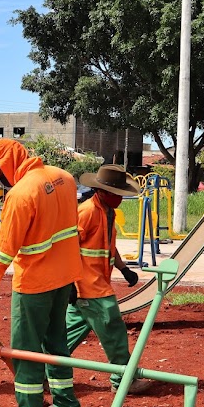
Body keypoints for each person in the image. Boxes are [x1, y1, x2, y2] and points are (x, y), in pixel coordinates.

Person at [0, 138, 82, 407]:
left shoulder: (21, 194)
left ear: (7, 164)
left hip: (34, 284)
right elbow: (71, 230)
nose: (1, 179)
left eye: (0, 172)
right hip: (64, 279)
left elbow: (3, 250)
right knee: (57, 345)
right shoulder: (64, 178)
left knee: (26, 351)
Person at [65, 165, 152, 393]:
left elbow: (108, 245)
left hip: (92, 285)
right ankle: (124, 380)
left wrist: (123, 269)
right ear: (102, 192)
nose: (121, 199)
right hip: (90, 287)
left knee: (66, 336)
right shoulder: (87, 212)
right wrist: (70, 282)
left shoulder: (107, 212)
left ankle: (44, 372)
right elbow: (68, 246)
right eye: (117, 194)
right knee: (114, 331)